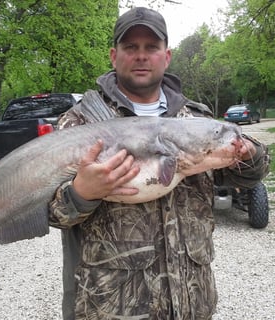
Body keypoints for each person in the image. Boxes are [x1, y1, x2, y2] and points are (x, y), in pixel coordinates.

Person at [49, 7, 269, 320]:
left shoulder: (198, 119)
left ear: (166, 56)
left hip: (193, 306)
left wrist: (248, 155)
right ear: (114, 56)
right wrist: (81, 193)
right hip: (112, 309)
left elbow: (251, 178)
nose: (141, 56)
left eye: (151, 47)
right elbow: (49, 211)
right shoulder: (80, 123)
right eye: (130, 47)